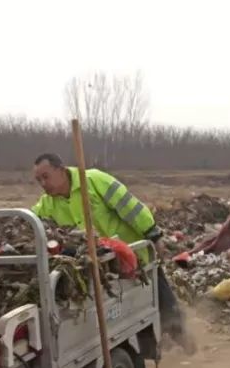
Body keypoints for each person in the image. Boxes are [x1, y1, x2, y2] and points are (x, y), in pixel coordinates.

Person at [30, 152, 196, 355]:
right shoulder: (47, 204)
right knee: (128, 314)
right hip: (104, 268)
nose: (43, 184)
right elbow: (32, 224)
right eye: (38, 180)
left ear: (61, 170)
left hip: (136, 257)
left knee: (164, 304)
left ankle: (186, 343)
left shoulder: (93, 181)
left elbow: (131, 207)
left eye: (46, 177)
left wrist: (153, 234)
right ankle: (155, 345)